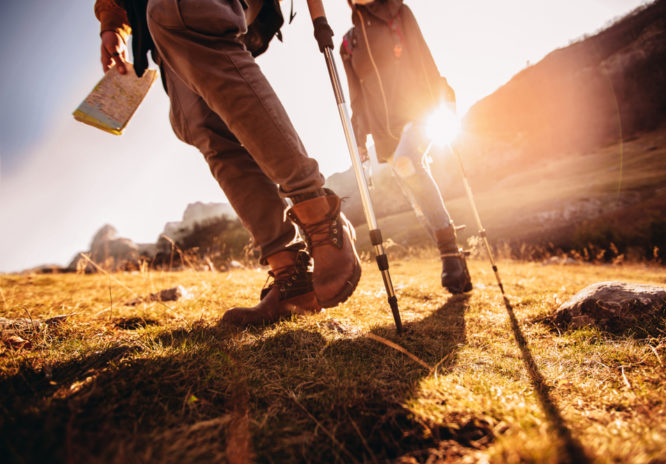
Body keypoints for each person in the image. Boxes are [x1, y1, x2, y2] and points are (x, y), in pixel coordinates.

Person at [94, 0, 361, 326]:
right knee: (201, 123)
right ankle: (290, 275)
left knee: (180, 12)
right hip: (152, 26)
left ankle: (318, 212)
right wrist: (112, 22)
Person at [339, 0, 472, 294]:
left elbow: (423, 55)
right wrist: (360, 139)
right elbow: (357, 98)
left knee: (407, 161)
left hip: (420, 111)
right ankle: (455, 258)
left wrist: (444, 96)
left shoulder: (398, 13)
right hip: (384, 132)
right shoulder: (349, 44)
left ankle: (449, 252)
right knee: (416, 194)